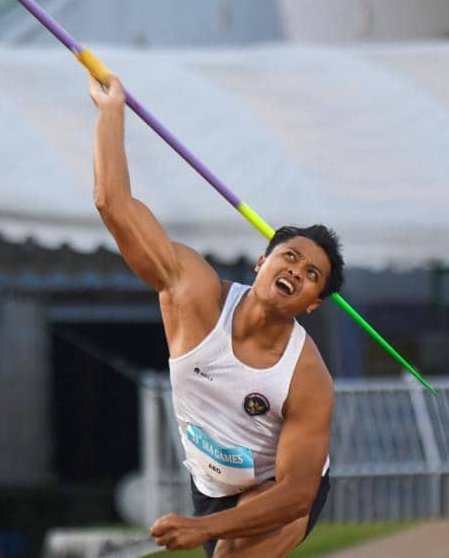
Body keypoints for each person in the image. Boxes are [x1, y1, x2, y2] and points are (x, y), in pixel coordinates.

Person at [88, 74, 339, 558]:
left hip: (277, 493)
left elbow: (296, 494)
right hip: (210, 489)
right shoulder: (193, 295)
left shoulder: (307, 377)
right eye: (289, 256)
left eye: (311, 274)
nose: (295, 270)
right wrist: (109, 113)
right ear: (262, 262)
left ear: (312, 303)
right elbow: (112, 204)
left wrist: (202, 532)